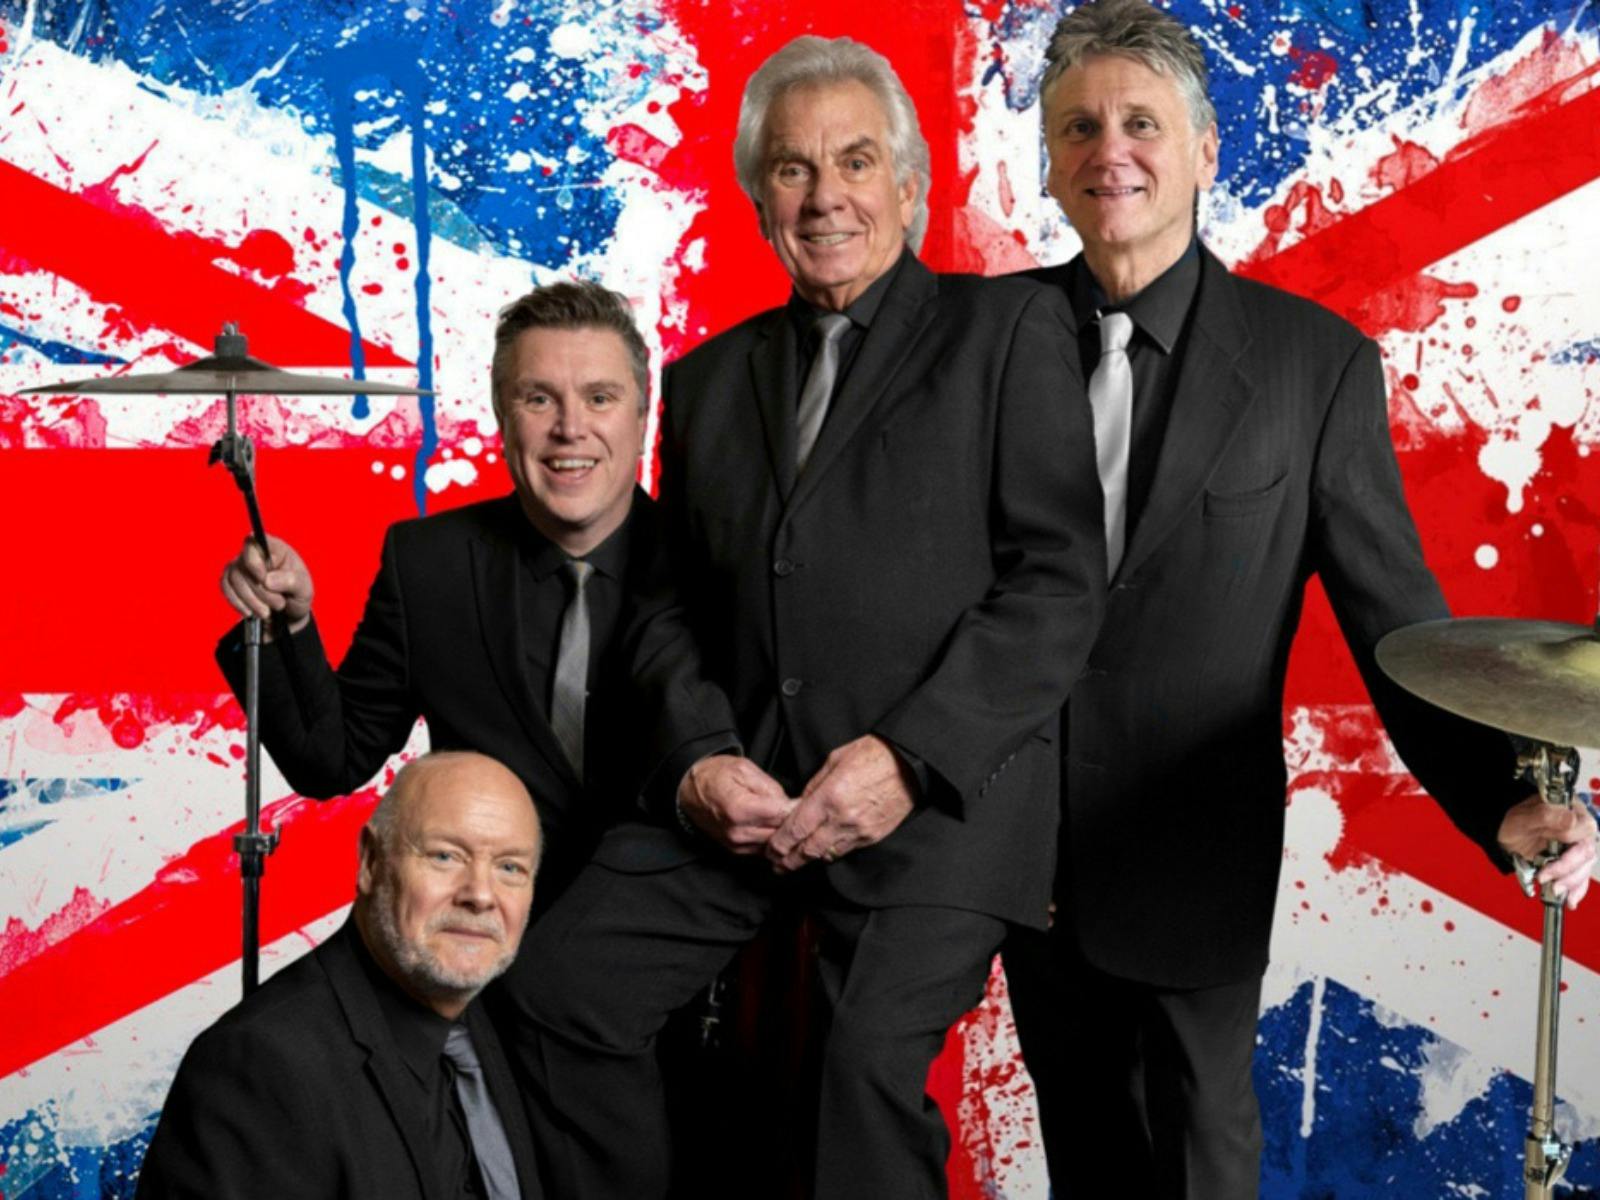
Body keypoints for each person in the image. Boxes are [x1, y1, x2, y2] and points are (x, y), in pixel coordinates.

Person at [1001, 3, 1600, 1196]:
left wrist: (1503, 802)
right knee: (1084, 1159)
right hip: (1016, 851)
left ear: (1205, 150)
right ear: (1050, 163)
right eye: (1076, 126)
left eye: (1137, 122)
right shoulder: (989, 338)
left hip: (1196, 854)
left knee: (1204, 1158)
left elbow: (1395, 623)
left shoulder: (1309, 365)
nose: (1105, 150)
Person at [503, 34, 1106, 1200]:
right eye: (791, 169)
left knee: (854, 1065)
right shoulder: (711, 379)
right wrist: (694, 764)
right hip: (745, 804)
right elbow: (666, 604)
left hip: (935, 812)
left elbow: (1056, 586)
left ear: (910, 184)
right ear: (756, 196)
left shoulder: (1006, 335)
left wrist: (904, 759)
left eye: (855, 161)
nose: (825, 195)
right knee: (549, 995)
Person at [216, 280, 664, 898]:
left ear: (642, 416)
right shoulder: (429, 562)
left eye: (600, 398)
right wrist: (285, 625)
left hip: (656, 939)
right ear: (502, 417)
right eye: (538, 399)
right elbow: (330, 760)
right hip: (470, 935)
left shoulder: (713, 562)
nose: (570, 428)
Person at [136, 751, 544, 1199]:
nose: (481, 895)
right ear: (370, 861)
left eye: (510, 867)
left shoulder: (499, 1028)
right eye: (445, 856)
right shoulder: (258, 1064)